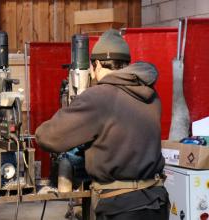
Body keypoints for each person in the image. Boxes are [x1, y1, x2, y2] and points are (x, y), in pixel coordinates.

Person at [35, 29, 169, 220]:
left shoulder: (99, 96)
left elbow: (48, 137)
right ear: (126, 64)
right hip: (157, 202)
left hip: (121, 208)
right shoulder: (150, 94)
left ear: (96, 65)